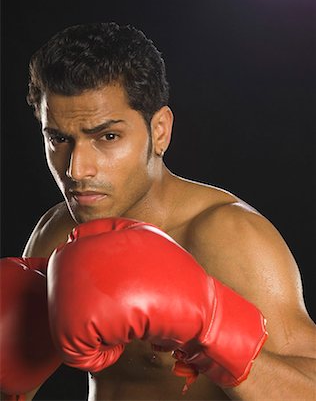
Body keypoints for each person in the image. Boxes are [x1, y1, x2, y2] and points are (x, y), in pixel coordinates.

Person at [1, 22, 315, 401]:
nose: (76, 169)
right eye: (59, 139)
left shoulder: (227, 236)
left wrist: (215, 330)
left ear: (160, 131)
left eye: (108, 137)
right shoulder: (56, 231)